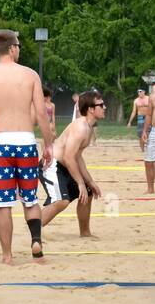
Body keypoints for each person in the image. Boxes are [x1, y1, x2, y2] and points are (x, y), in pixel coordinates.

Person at [0, 29, 56, 264]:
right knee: (30, 198)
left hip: (0, 144)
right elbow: (41, 113)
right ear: (11, 48)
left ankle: (7, 255)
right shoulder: (30, 75)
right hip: (26, 142)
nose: (19, 49)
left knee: (3, 204)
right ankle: (36, 240)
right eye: (18, 45)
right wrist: (48, 144)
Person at [40, 89, 106, 237]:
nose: (104, 107)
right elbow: (69, 157)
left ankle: (85, 233)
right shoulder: (80, 128)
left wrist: (90, 182)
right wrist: (80, 183)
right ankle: (33, 231)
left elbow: (77, 157)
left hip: (63, 165)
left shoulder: (88, 128)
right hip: (52, 165)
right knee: (62, 201)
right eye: (101, 105)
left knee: (88, 193)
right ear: (90, 109)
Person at [127, 88, 149, 154]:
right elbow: (134, 111)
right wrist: (129, 122)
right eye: (138, 92)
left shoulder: (149, 98)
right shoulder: (136, 101)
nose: (139, 93)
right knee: (140, 134)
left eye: (140, 91)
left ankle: (149, 148)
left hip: (148, 117)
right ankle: (142, 150)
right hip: (140, 117)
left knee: (149, 133)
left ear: (144, 92)